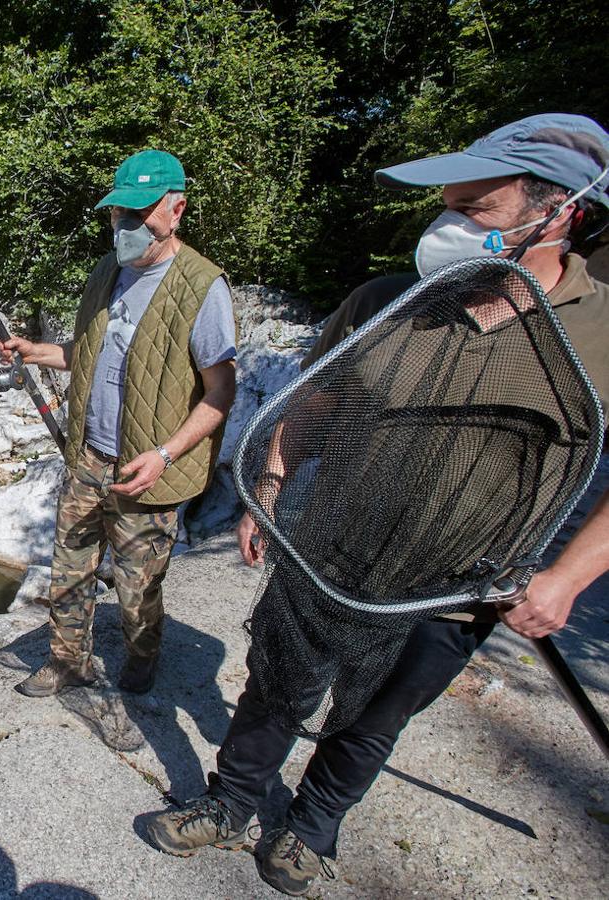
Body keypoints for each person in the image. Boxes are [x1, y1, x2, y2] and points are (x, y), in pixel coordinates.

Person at [137, 113, 609, 896]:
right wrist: (273, 483)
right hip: (329, 550)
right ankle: (229, 801)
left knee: (377, 716)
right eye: (448, 206)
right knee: (276, 682)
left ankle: (312, 828)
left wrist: (567, 579)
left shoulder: (601, 334)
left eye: (477, 211)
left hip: (455, 587)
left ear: (559, 212)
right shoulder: (390, 302)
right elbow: (316, 400)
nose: (449, 226)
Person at [0, 149, 238, 697]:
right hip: (88, 456)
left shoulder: (202, 288)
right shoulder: (107, 272)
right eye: (117, 213)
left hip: (146, 469)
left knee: (138, 588)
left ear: (175, 210)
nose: (126, 224)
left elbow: (221, 391)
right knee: (69, 567)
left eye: (140, 212)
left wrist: (166, 455)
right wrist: (33, 352)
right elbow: (88, 352)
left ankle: (142, 654)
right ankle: (66, 661)